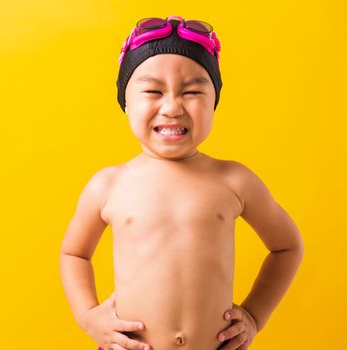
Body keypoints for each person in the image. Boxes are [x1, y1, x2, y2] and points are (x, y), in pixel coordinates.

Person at [59, 14, 304, 350]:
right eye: (153, 91)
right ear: (126, 103)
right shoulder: (109, 185)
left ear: (213, 101)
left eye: (191, 91)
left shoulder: (235, 181)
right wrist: (89, 316)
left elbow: (287, 246)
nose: (172, 107)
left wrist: (254, 316)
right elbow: (74, 253)